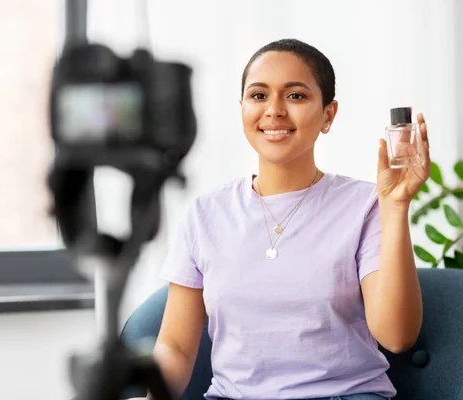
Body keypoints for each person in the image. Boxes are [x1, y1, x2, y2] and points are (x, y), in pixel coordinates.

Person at [139, 38, 429, 400]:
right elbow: (176, 347)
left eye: (295, 96)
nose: (274, 110)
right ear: (242, 107)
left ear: (328, 114)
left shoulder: (367, 204)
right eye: (259, 96)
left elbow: (397, 336)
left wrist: (397, 206)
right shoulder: (205, 214)